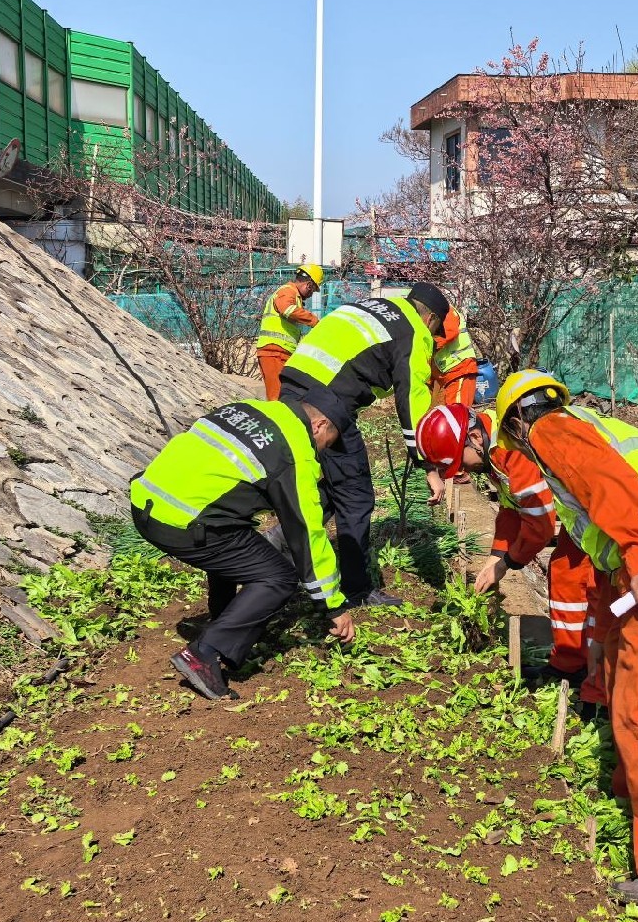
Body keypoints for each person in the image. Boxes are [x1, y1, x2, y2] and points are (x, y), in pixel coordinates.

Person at [492, 370, 638, 913]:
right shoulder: (593, 421)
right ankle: (629, 795)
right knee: (627, 681)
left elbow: (609, 484)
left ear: (517, 423)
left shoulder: (550, 429)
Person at [129, 391, 354, 701]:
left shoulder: (249, 409)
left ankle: (220, 622)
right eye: (328, 442)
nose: (322, 451)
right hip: (182, 522)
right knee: (279, 577)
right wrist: (334, 607)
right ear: (319, 425)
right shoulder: (294, 450)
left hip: (147, 501)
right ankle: (204, 652)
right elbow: (307, 533)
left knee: (237, 540)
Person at [278, 283, 453, 608]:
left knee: (333, 486)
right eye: (437, 330)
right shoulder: (414, 332)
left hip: (293, 383)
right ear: (430, 319)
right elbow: (411, 404)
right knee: (356, 497)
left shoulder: (374, 308)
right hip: (326, 403)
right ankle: (356, 590)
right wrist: (429, 467)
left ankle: (277, 542)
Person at [413, 402, 597, 688]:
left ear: (474, 438)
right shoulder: (491, 449)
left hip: (601, 501)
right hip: (588, 502)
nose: (463, 470)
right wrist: (495, 557)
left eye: (461, 462)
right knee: (564, 571)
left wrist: (507, 562)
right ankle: (571, 664)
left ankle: (581, 671)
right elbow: (512, 509)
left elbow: (541, 525)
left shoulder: (510, 450)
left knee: (571, 573)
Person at [254, 264, 323, 399]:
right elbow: (287, 309)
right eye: (313, 290)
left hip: (280, 352)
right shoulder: (288, 291)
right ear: (309, 285)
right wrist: (314, 321)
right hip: (274, 351)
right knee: (278, 397)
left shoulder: (294, 296)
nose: (311, 295)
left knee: (284, 396)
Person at [432, 307, 479, 410]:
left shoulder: (445, 310)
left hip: (460, 368)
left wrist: (427, 345)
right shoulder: (433, 313)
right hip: (447, 372)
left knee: (456, 415)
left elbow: (448, 333)